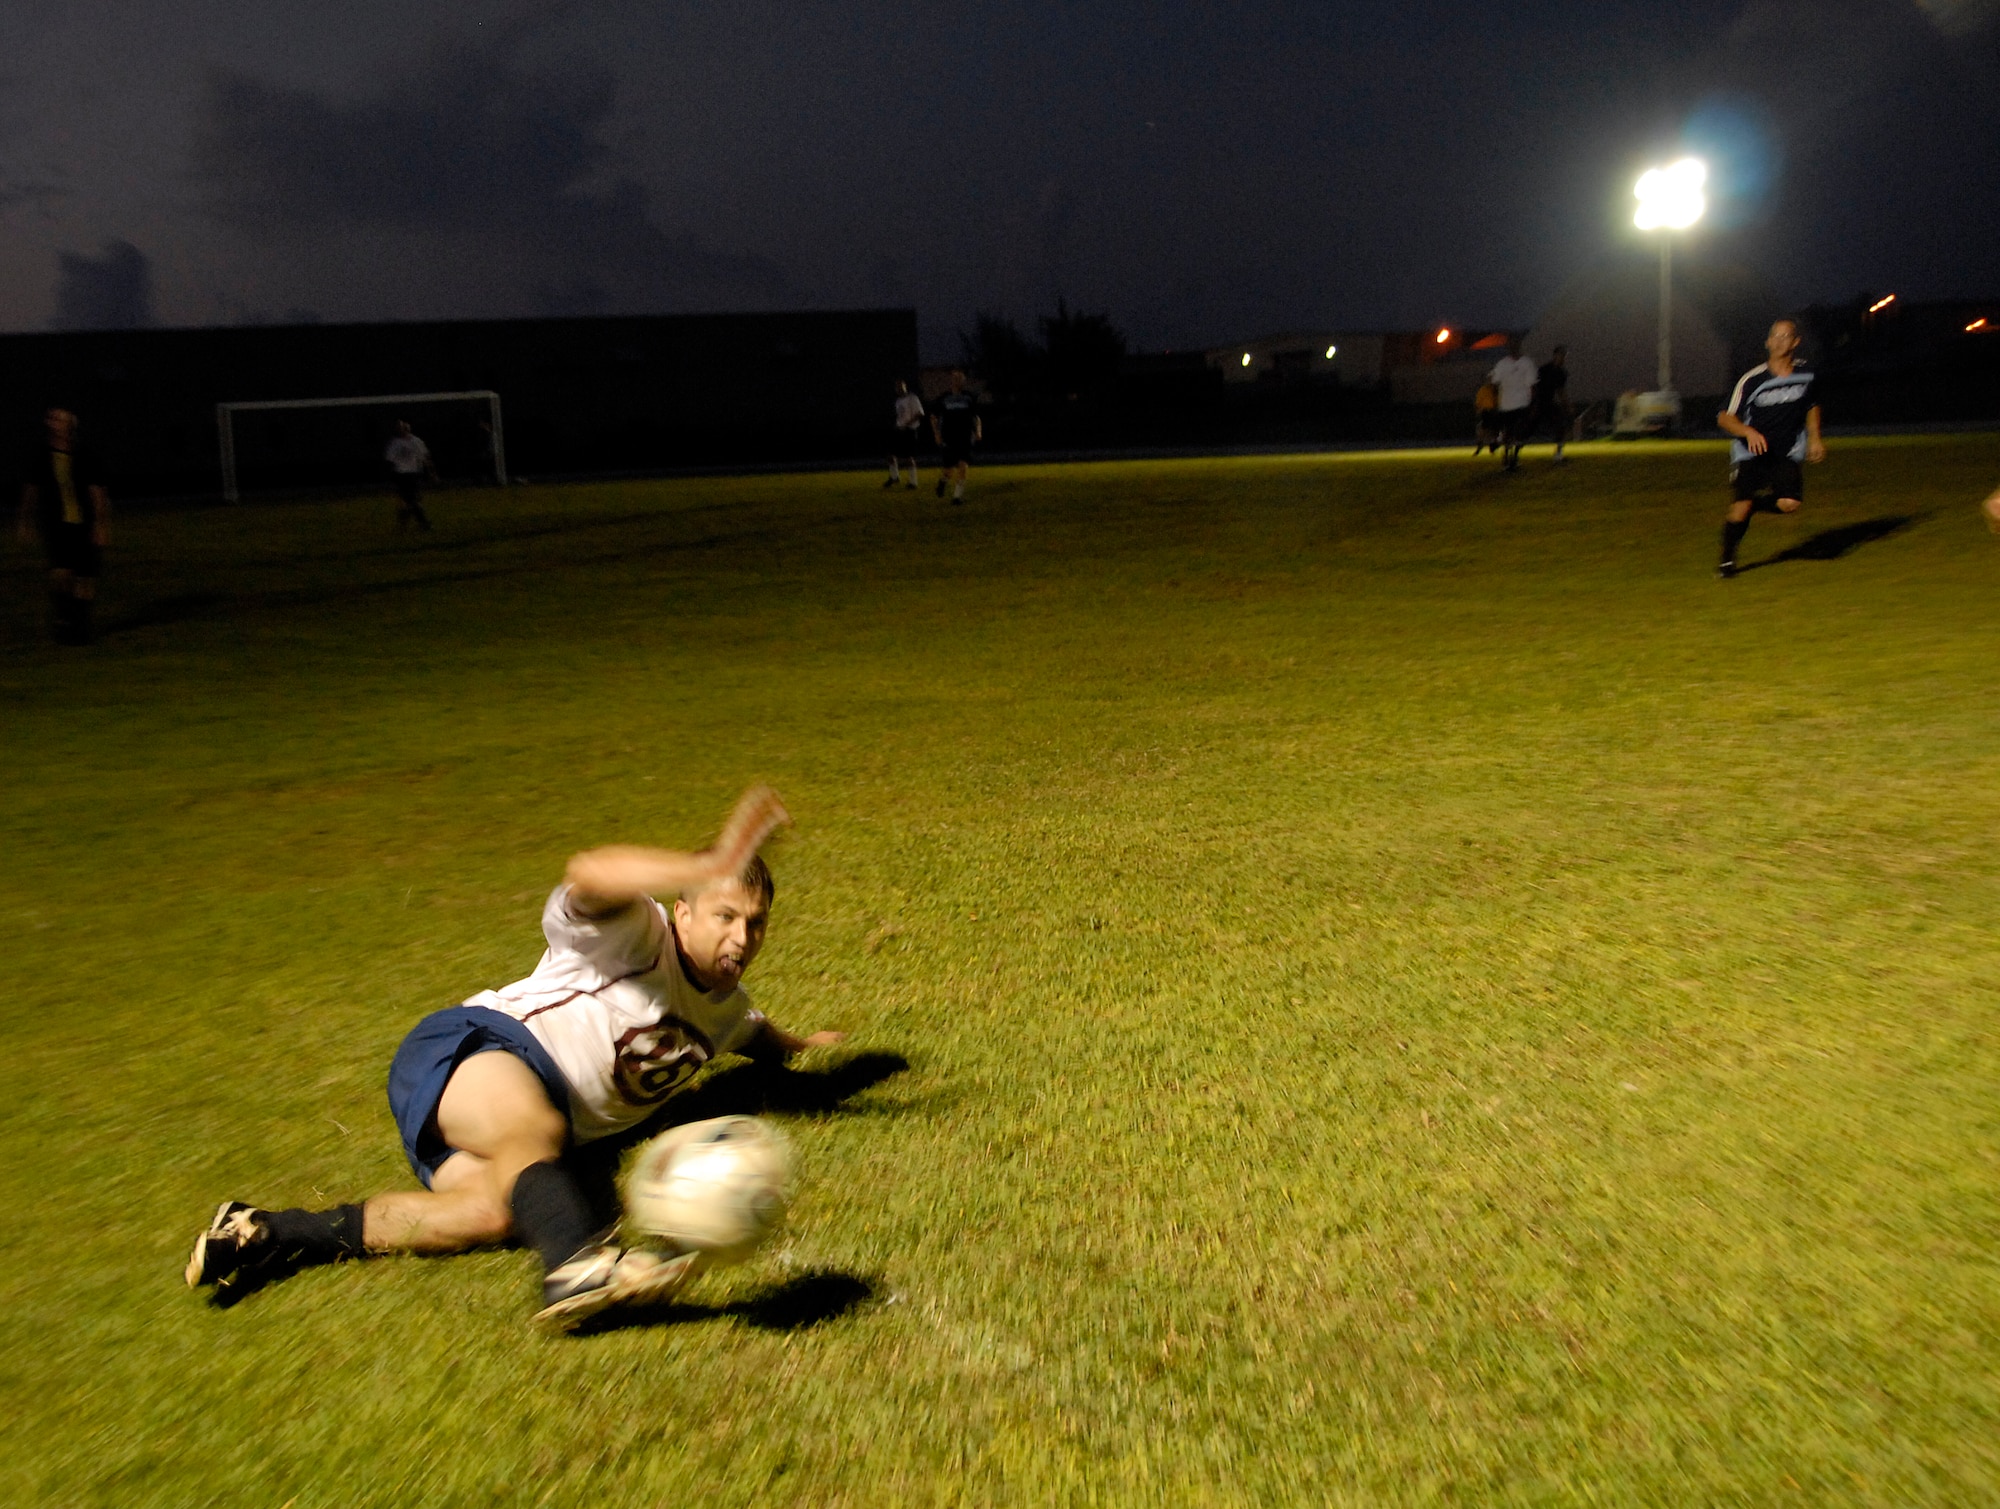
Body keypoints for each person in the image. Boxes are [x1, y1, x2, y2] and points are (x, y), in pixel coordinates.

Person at [184, 786, 846, 1332]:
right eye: (725, 914)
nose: (741, 937)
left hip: (501, 1118)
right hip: (480, 1048)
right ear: (684, 909)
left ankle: (268, 1233)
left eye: (755, 922)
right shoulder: (633, 931)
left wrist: (800, 1050)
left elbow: (751, 1031)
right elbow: (589, 871)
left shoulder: (726, 1008)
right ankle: (575, 1262)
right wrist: (709, 858)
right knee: (538, 1132)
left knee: (493, 1213)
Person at [1714, 319, 1824, 579]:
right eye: (1774, 336)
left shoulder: (1807, 374)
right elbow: (1724, 417)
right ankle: (1727, 562)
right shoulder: (1751, 380)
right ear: (1767, 342)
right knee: (1740, 507)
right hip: (1750, 451)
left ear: (1795, 342)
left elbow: (1812, 405)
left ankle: (1755, 504)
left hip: (1785, 451)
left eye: (1785, 336)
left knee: (1789, 504)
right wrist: (1748, 431)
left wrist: (1816, 438)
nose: (1778, 340)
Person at [15, 406, 110, 645]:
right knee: (61, 573)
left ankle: (80, 626)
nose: (55, 422)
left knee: (85, 578)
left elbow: (97, 492)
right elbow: (31, 490)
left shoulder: (84, 455)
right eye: (53, 419)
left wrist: (100, 524)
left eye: (61, 419)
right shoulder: (41, 456)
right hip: (55, 524)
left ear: (71, 426)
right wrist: (25, 521)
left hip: (83, 523)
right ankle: (64, 619)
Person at [1487, 338, 1539, 472]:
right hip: (1506, 405)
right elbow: (1493, 383)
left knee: (1519, 433)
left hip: (1522, 404)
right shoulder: (1502, 364)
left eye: (1514, 344)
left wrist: (1533, 404)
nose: (1512, 347)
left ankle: (1513, 458)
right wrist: (1494, 400)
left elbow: (1532, 385)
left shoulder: (1527, 363)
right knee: (1508, 433)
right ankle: (1507, 457)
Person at [930, 369, 981, 504]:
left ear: (963, 381)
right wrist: (937, 434)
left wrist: (978, 431)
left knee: (963, 466)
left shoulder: (969, 397)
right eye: (955, 378)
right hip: (948, 437)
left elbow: (976, 417)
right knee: (948, 469)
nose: (957, 381)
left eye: (960, 379)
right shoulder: (943, 398)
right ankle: (943, 481)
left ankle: (957, 497)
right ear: (951, 381)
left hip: (965, 436)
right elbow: (934, 417)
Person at [385, 418, 437, 531]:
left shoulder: (416, 441)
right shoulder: (395, 443)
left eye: (402, 427)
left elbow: (425, 458)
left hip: (413, 474)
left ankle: (422, 524)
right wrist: (391, 477)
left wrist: (432, 473)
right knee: (406, 502)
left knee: (411, 501)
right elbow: (390, 461)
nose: (400, 430)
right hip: (400, 475)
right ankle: (409, 525)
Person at [1535, 345, 1573, 463]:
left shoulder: (1562, 372)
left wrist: (1567, 406)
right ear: (1555, 355)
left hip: (1548, 402)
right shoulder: (1543, 370)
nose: (1564, 358)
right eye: (1562, 355)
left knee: (1562, 425)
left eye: (1565, 356)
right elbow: (1534, 387)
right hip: (1537, 402)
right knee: (1525, 429)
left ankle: (1558, 453)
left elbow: (1561, 391)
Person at [886, 379, 924, 490]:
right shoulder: (898, 401)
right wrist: (898, 425)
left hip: (910, 430)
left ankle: (913, 482)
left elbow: (920, 414)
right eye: (897, 387)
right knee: (890, 454)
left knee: (909, 457)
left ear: (905, 386)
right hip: (899, 430)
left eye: (901, 386)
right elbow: (900, 416)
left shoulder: (912, 398)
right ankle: (894, 477)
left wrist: (906, 424)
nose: (899, 389)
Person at [1472, 380, 1502, 457]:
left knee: (1493, 431)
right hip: (1487, 412)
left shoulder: (1495, 390)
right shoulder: (1484, 390)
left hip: (1493, 411)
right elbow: (1478, 402)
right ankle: (1481, 447)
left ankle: (1491, 447)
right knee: (1485, 430)